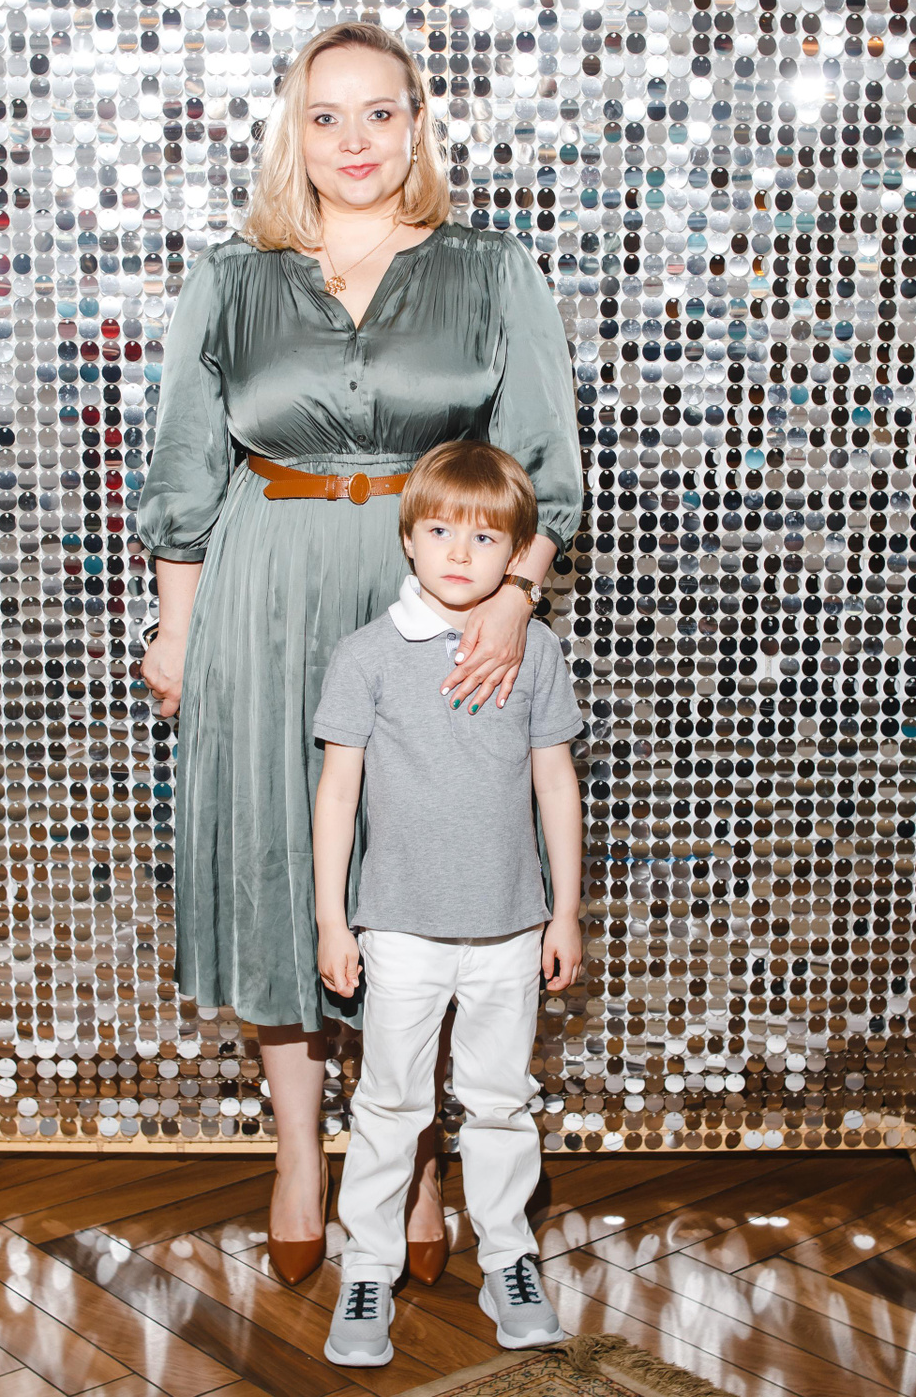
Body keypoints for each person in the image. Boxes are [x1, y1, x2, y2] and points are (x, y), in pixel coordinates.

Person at [133, 20, 583, 1287]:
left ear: (417, 123)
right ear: (295, 132)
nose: (354, 141)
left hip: (437, 601)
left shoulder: (490, 269)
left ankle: (419, 1161)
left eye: (379, 113)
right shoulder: (232, 277)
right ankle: (297, 1160)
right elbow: (185, 465)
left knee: (430, 872)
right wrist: (177, 629)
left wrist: (516, 599)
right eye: (325, 116)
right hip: (263, 596)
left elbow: (543, 457)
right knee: (283, 863)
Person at [313, 443, 585, 1367]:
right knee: (390, 1104)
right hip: (399, 928)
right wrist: (333, 919)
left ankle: (509, 1258)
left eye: (484, 537)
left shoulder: (535, 650)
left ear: (518, 551)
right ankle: (367, 1269)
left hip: (510, 928)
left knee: (501, 1102)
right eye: (439, 531)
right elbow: (337, 793)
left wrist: (565, 911)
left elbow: (556, 784)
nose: (460, 553)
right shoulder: (366, 655)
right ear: (408, 537)